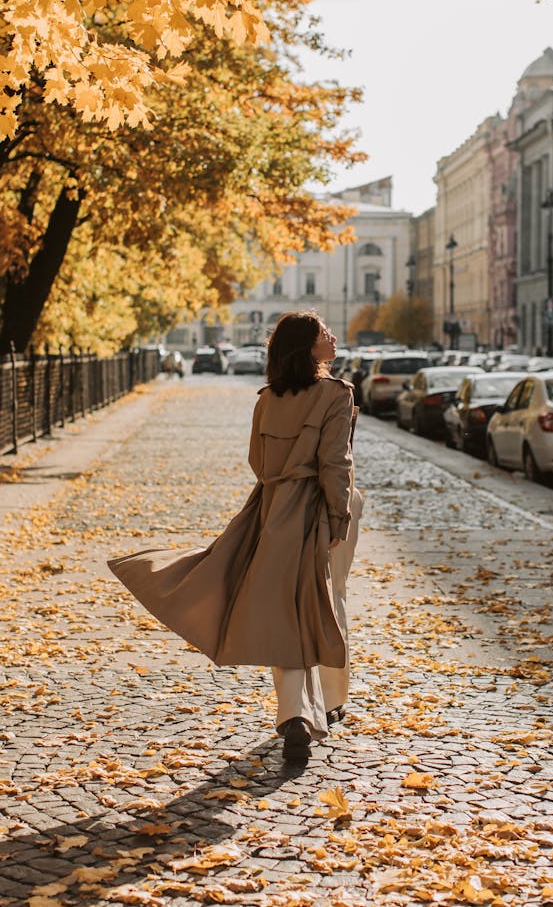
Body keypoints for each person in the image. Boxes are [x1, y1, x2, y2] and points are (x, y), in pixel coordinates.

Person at [108, 311, 362, 764]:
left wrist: (281, 486)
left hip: (271, 509)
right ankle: (322, 703)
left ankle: (299, 715)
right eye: (325, 334)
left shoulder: (267, 399)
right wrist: (339, 518)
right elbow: (335, 463)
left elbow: (259, 463)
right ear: (308, 346)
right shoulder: (335, 394)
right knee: (326, 598)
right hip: (321, 511)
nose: (333, 338)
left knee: (282, 609)